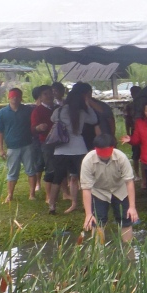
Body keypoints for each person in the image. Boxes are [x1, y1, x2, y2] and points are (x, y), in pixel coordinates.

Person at [49, 83, 100, 215]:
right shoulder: (81, 112)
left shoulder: (59, 111)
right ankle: (87, 205)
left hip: (61, 149)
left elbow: (52, 119)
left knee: (57, 178)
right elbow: (94, 120)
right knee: (84, 179)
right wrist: (88, 105)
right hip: (79, 148)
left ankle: (52, 206)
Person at [80, 134, 139, 244]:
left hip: (119, 189)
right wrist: (88, 214)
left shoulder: (121, 157)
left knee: (125, 219)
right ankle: (98, 252)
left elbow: (129, 181)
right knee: (98, 221)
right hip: (99, 191)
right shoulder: (88, 160)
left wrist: (132, 207)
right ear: (96, 149)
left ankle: (128, 250)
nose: (104, 155)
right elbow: (86, 188)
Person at [0, 87, 38, 203]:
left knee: (31, 170)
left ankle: (32, 193)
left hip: (28, 144)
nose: (15, 99)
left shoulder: (28, 110)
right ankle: (10, 195)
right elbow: (0, 132)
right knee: (12, 172)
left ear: (21, 98)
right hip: (12, 147)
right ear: (9, 98)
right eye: (13, 96)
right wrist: (1, 149)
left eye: (17, 97)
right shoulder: (1, 113)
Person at [30, 85, 56, 205]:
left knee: (61, 167)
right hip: (46, 141)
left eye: (50, 93)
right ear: (40, 97)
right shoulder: (37, 110)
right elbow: (33, 128)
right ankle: (48, 196)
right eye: (45, 94)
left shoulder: (58, 108)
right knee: (50, 168)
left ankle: (65, 192)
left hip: (61, 141)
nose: (49, 96)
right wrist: (38, 127)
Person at [122, 85, 144, 182]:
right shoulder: (130, 106)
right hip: (135, 131)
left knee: (143, 152)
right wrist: (128, 133)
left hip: (143, 131)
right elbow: (127, 121)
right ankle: (137, 174)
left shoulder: (144, 105)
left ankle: (142, 175)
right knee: (136, 154)